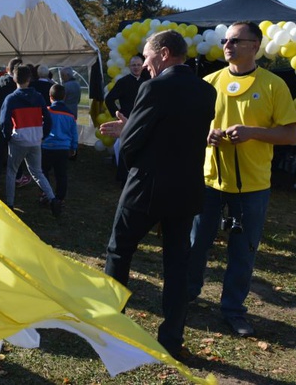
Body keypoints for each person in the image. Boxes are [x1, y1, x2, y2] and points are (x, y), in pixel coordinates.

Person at [99, 29, 216, 359]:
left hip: (147, 187)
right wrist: (133, 127)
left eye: (148, 56)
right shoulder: (207, 92)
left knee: (119, 251)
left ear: (164, 53)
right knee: (177, 264)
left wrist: (127, 133)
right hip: (187, 189)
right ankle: (172, 339)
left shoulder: (154, 87)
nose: (146, 63)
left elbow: (134, 144)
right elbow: (179, 133)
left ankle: (113, 328)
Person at [187, 21, 296, 337]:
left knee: (243, 251)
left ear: (255, 46)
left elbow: (291, 134)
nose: (227, 45)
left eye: (235, 40)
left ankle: (233, 310)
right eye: (225, 40)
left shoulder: (274, 85)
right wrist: (204, 133)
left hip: (252, 185)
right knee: (196, 245)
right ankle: (189, 295)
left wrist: (254, 134)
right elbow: (190, 126)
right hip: (210, 181)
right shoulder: (208, 82)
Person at [0, 64, 62, 217]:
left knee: (12, 172)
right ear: (30, 79)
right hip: (35, 140)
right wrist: (42, 135)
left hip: (18, 141)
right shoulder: (39, 97)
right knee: (37, 171)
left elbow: (4, 122)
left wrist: (7, 137)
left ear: (14, 78)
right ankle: (53, 198)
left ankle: (10, 204)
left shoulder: (11, 99)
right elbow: (47, 120)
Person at [105, 54, 151, 185]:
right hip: (126, 121)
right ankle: (123, 178)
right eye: (133, 65)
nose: (136, 68)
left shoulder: (146, 83)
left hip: (141, 121)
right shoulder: (123, 82)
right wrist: (118, 115)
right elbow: (109, 99)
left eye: (138, 65)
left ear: (142, 66)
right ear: (129, 67)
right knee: (124, 148)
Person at [0, 57, 24, 195]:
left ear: (7, 69)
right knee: (15, 154)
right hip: (12, 124)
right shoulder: (17, 86)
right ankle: (17, 179)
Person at [41, 83, 78, 204]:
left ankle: (46, 193)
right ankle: (60, 198)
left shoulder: (46, 112)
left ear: (50, 97)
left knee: (43, 172)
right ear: (64, 97)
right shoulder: (70, 114)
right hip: (63, 148)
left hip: (46, 147)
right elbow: (74, 133)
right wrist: (73, 147)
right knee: (61, 174)